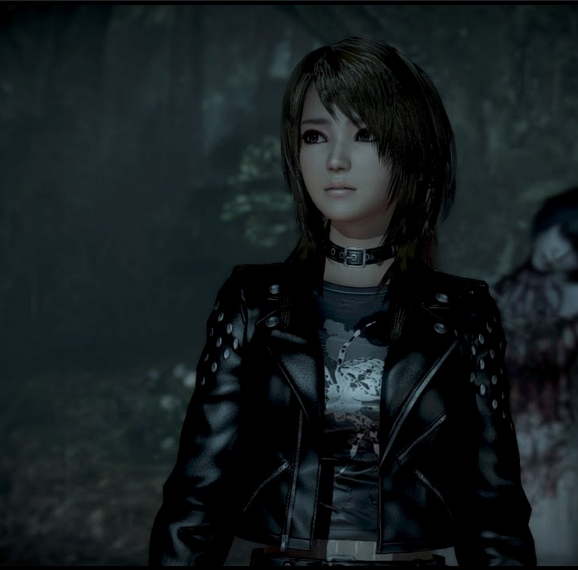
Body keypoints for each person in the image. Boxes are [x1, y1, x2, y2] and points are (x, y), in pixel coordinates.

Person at [149, 37, 535, 567]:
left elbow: (495, 511)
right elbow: (198, 496)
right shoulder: (251, 304)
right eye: (314, 136)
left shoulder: (462, 313)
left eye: (365, 134)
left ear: (414, 149)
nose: (335, 160)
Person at [491, 185, 578, 566]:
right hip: (485, 464)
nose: (559, 253)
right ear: (551, 220)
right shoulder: (495, 289)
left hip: (552, 469)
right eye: (563, 235)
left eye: (577, 252)